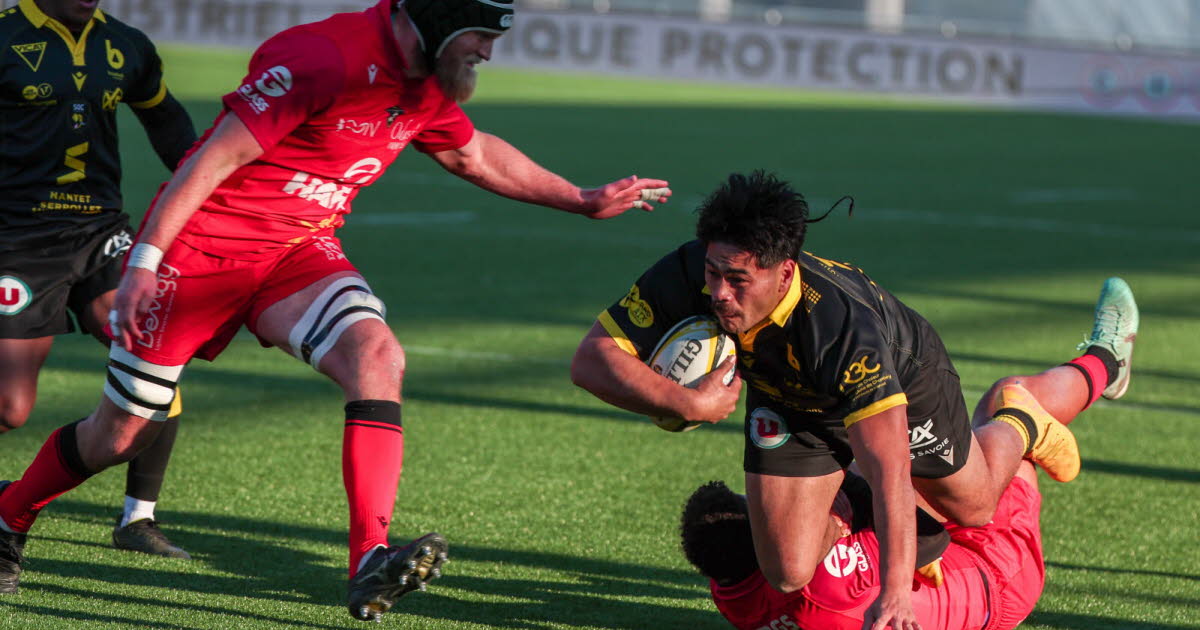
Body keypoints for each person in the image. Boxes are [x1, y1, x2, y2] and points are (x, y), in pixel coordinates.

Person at [0, 0, 672, 620]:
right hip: (200, 257)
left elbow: (471, 155)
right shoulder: (324, 58)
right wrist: (146, 262)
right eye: (483, 35)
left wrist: (580, 198)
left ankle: (368, 563)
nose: (489, 53)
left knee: (377, 357)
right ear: (438, 16)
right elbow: (208, 160)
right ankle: (8, 519)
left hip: (297, 251)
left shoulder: (430, 82)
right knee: (116, 438)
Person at [571, 171, 1138, 629]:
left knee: (977, 505)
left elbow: (891, 466)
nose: (718, 291)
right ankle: (848, 501)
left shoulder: (840, 330)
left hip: (908, 387)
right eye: (713, 271)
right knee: (789, 570)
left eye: (737, 279)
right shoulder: (690, 271)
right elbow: (590, 360)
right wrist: (684, 402)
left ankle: (1039, 403)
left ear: (783, 271)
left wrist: (896, 596)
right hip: (790, 402)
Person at [678, 318, 1133, 629]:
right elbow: (900, 498)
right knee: (1004, 398)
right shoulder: (830, 586)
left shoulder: (732, 593)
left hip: (942, 558)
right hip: (994, 571)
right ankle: (1102, 363)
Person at [0, 0, 196, 560]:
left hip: (100, 233)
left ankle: (139, 517)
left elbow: (166, 122)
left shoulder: (127, 44)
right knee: (9, 408)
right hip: (17, 240)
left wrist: (212, 187)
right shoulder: (5, 37)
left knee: (149, 351)